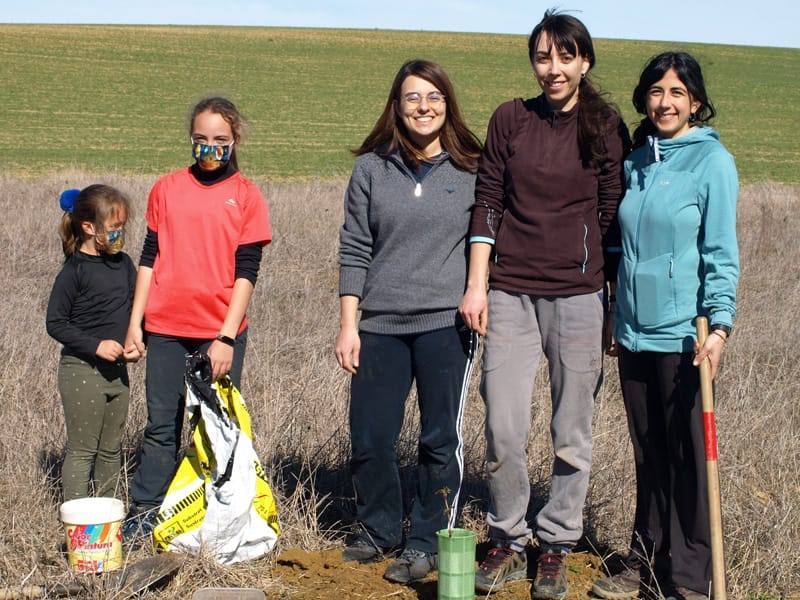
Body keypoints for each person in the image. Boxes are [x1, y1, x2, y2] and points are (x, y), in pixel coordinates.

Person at [459, 9, 629, 598]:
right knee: (503, 424)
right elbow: (487, 201)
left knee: (570, 429)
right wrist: (478, 283)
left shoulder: (605, 124)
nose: (552, 69)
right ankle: (507, 537)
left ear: (584, 61)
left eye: (564, 56)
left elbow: (612, 215)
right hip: (509, 291)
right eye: (541, 56)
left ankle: (557, 541)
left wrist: (607, 297)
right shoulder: (510, 119)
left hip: (579, 296)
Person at [591, 52, 739, 600]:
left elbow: (721, 250)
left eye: (677, 93)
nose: (666, 102)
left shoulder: (712, 163)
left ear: (695, 101)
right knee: (647, 450)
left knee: (687, 458)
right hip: (634, 332)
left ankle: (688, 579)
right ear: (644, 99)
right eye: (656, 92)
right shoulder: (636, 163)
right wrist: (614, 314)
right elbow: (622, 250)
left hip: (686, 335)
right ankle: (645, 562)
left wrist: (719, 327)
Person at [336, 59, 482, 585]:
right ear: (396, 107)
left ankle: (427, 540)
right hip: (379, 323)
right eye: (413, 98)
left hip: (446, 324)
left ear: (448, 104)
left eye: (434, 97)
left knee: (439, 438)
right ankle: (377, 529)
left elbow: (485, 243)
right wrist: (349, 323)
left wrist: (478, 293)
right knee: (372, 436)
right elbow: (354, 246)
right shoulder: (372, 169)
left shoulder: (472, 170)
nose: (424, 107)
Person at [122, 96, 272, 540]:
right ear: (191, 139)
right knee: (160, 424)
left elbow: (248, 273)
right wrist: (136, 323)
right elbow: (148, 258)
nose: (210, 148)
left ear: (235, 140)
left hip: (218, 335)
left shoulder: (246, 195)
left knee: (214, 431)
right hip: (166, 329)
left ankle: (217, 515)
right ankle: (146, 511)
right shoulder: (166, 188)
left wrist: (225, 337)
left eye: (220, 141)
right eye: (201, 140)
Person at [46, 184, 136, 501]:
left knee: (111, 451)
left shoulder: (124, 264)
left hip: (118, 373)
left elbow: (136, 310)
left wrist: (138, 340)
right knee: (84, 450)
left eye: (122, 227)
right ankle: (78, 526)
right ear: (88, 228)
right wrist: (96, 346)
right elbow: (55, 323)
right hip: (82, 372)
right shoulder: (75, 271)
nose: (120, 234)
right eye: (113, 228)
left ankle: (107, 521)